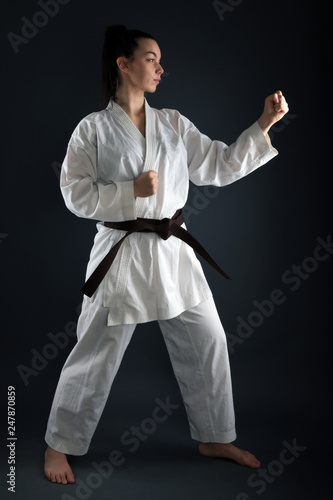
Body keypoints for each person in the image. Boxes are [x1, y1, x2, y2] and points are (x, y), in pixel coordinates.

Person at [44, 25, 289, 485]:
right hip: (121, 253)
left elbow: (216, 164)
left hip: (173, 249)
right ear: (123, 63)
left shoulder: (173, 122)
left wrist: (263, 126)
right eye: (151, 58)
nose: (160, 68)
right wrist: (128, 192)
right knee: (95, 353)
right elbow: (73, 193)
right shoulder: (92, 129)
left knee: (208, 340)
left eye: (159, 60)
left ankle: (215, 435)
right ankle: (59, 445)